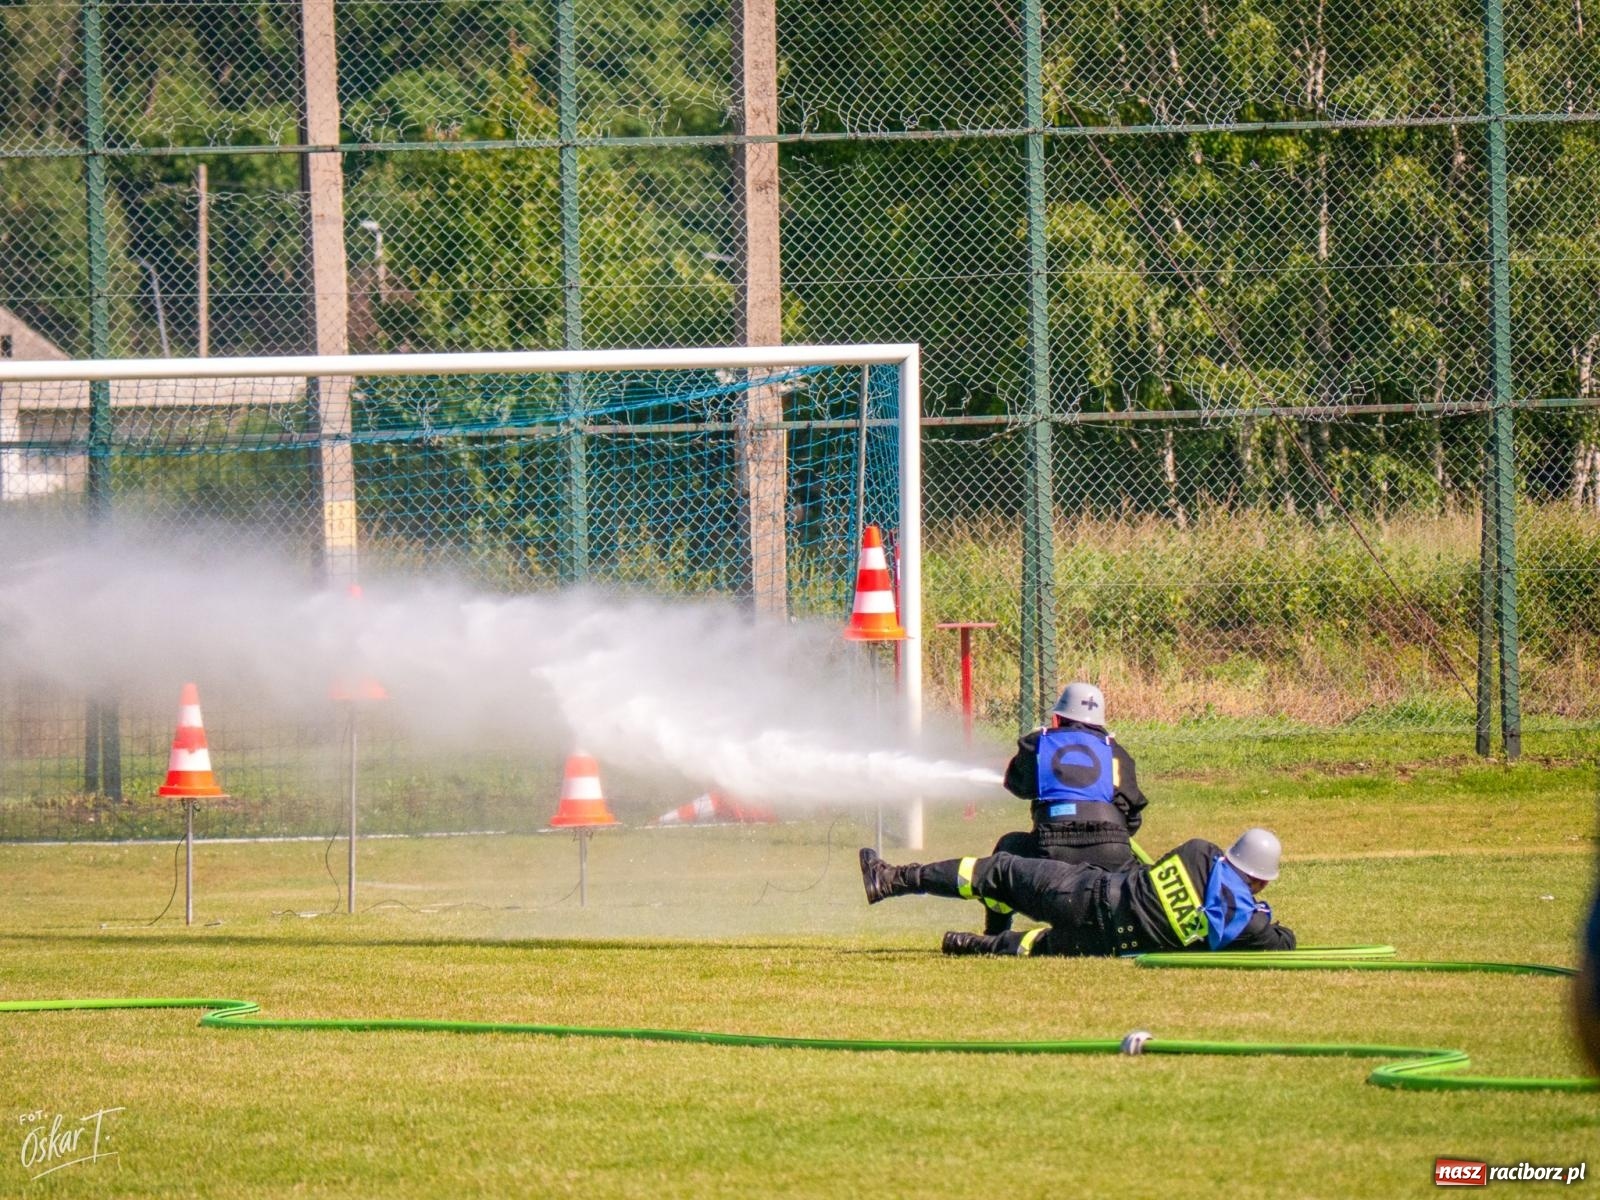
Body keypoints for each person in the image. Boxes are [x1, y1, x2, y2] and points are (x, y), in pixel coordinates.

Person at [859, 828, 1295, 957]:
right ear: (1262, 879)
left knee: (998, 871)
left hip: (1087, 893)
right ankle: (970, 946)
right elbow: (1284, 941)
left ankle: (894, 879)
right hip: (1109, 944)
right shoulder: (1248, 925)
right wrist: (1259, 913)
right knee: (1039, 946)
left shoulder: (1198, 852)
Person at [981, 682, 1148, 936]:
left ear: (1057, 718)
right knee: (1138, 879)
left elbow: (1017, 785)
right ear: (1100, 723)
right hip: (1112, 853)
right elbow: (1132, 818)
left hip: (1051, 852)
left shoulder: (1039, 743)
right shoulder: (1118, 753)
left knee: (1007, 848)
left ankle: (995, 933)